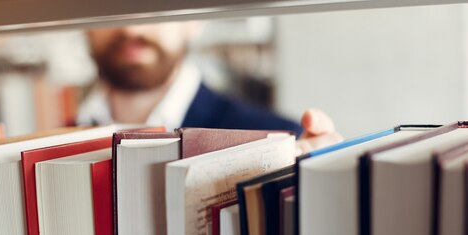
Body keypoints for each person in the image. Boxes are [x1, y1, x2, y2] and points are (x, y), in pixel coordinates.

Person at [77, 21, 341, 153]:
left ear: (194, 22)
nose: (131, 27)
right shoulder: (49, 148)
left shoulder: (280, 143)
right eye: (109, 1)